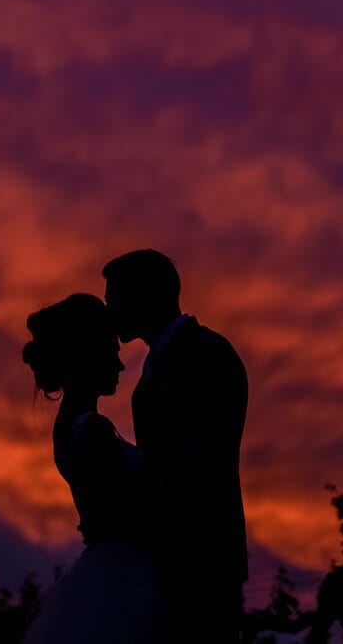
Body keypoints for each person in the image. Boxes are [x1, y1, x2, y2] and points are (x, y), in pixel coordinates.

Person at [104, 249, 248, 643]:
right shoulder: (159, 359)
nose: (109, 307)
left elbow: (203, 459)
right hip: (173, 558)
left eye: (114, 296)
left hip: (203, 557)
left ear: (145, 295)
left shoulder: (207, 353)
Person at [21, 293, 165, 644]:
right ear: (87, 356)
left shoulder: (68, 426)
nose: (119, 365)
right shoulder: (92, 430)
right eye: (112, 351)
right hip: (129, 576)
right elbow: (129, 514)